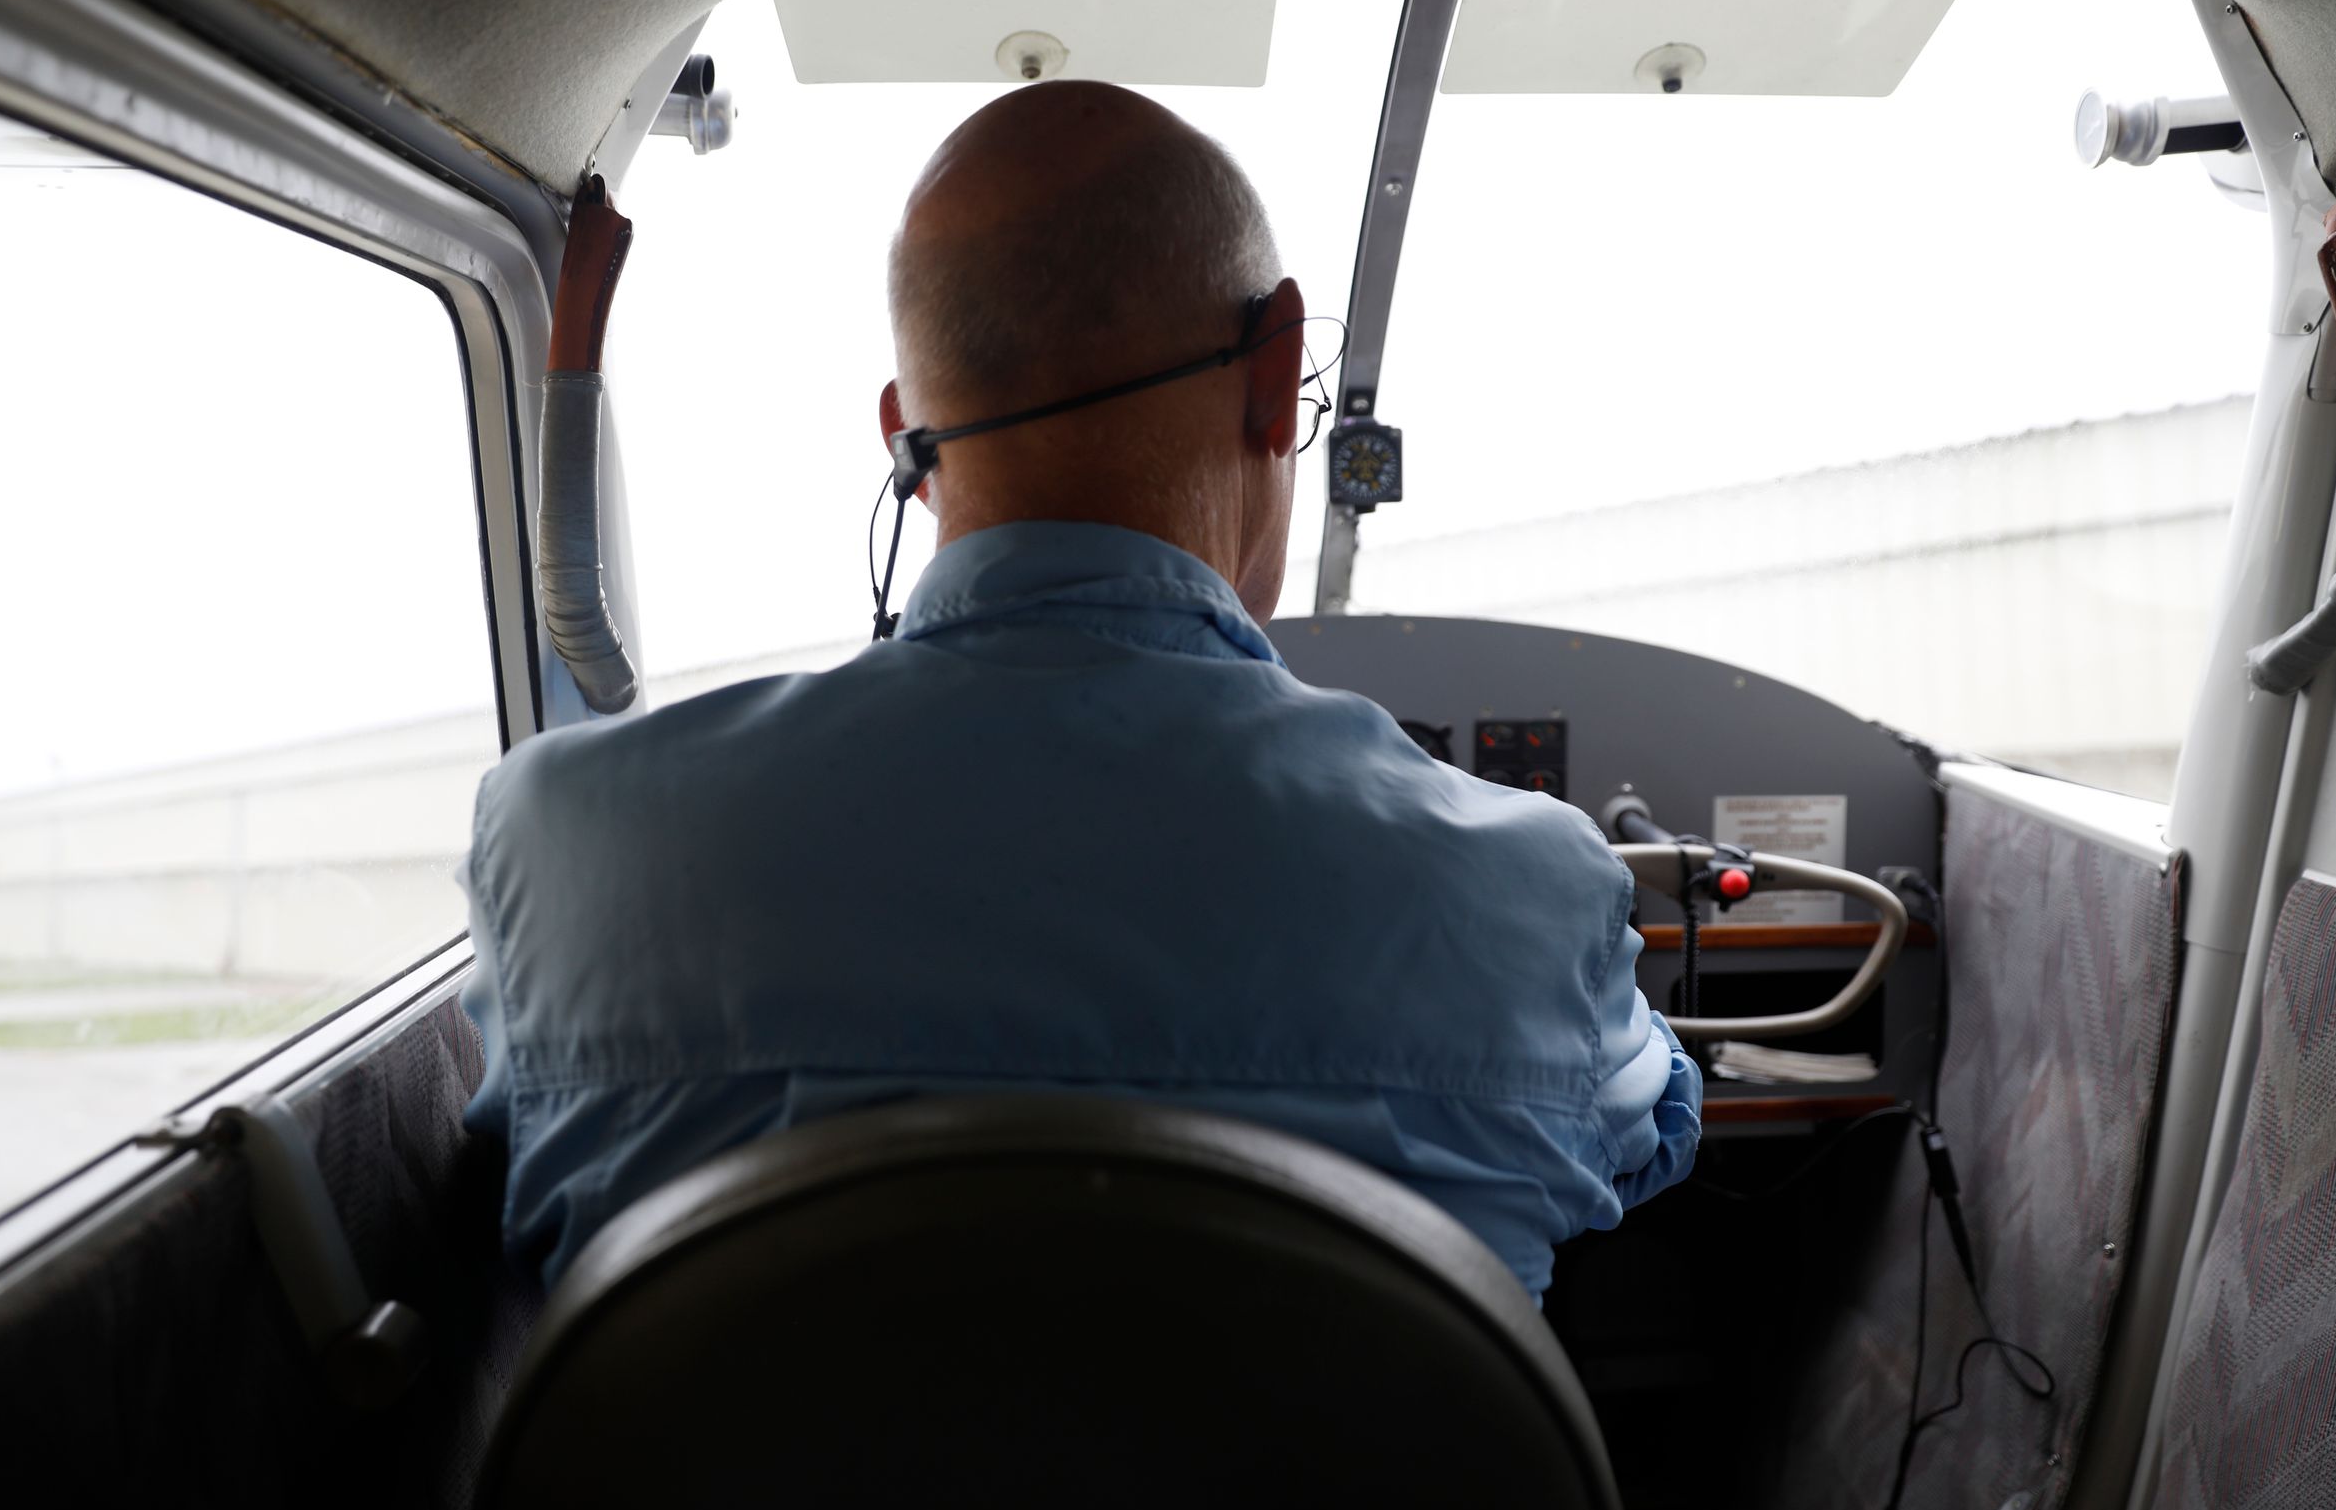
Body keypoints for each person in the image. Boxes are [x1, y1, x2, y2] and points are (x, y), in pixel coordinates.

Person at [460, 80, 1699, 1298]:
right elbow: (1641, 1143)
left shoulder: (564, 842)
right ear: (1275, 372)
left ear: (907, 446)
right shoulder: (1533, 887)